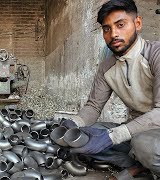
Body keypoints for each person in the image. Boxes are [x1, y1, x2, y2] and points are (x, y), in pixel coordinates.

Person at [61, 0, 160, 179]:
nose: (113, 34)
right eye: (106, 29)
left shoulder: (155, 54)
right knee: (83, 136)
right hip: (135, 129)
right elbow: (93, 106)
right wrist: (74, 123)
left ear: (137, 23)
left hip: (153, 132)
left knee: (144, 145)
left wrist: (113, 136)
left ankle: (141, 162)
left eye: (120, 25)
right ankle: (139, 166)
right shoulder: (107, 67)